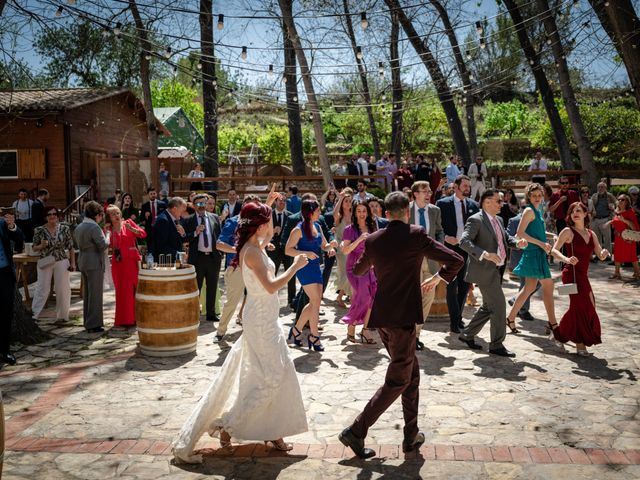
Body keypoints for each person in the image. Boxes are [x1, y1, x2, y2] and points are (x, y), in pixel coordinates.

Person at [172, 201, 310, 464]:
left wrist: (266, 224)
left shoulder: (255, 248)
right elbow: (270, 287)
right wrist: (295, 267)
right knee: (271, 376)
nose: (271, 225)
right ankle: (229, 425)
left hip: (266, 318)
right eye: (268, 221)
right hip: (260, 321)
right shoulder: (253, 252)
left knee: (277, 373)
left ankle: (272, 430)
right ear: (260, 225)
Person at [338, 192, 463, 459]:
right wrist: (439, 277)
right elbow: (455, 259)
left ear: (385, 212)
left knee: (411, 376)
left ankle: (410, 435)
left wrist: (372, 254)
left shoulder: (373, 240)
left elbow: (358, 271)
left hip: (382, 318)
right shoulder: (416, 235)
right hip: (403, 319)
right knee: (398, 380)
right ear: (406, 212)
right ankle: (357, 430)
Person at [458, 190, 527, 357]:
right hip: (483, 270)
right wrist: (485, 254)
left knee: (489, 307)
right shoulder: (475, 220)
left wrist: (518, 243)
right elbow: (464, 241)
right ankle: (496, 345)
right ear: (487, 202)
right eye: (498, 201)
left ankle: (467, 334)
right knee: (499, 305)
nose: (501, 204)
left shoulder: (499, 219)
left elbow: (504, 239)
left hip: (496, 270)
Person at [506, 183, 576, 336]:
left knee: (528, 289)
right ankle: (553, 323)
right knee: (548, 287)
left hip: (538, 254)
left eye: (539, 195)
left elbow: (536, 230)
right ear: (529, 197)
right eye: (534, 195)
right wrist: (541, 243)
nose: (537, 198)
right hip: (533, 254)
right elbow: (520, 233)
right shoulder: (529, 210)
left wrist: (551, 236)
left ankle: (510, 318)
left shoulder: (537, 211)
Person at [553, 202, 609, 355]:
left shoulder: (592, 234)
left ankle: (558, 332)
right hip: (571, 274)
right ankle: (580, 344)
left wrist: (604, 253)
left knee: (590, 306)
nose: (575, 213)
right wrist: (566, 259)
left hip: (583, 276)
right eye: (572, 211)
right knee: (580, 308)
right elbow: (554, 250)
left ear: (586, 214)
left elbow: (600, 254)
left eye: (578, 210)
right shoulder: (567, 231)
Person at [286, 200, 336, 351]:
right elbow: (288, 250)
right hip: (304, 267)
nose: (320, 213)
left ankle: (296, 331)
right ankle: (314, 337)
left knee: (316, 301)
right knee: (315, 300)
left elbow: (324, 246)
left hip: (316, 267)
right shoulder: (298, 229)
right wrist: (305, 253)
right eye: (318, 211)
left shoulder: (318, 226)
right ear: (310, 212)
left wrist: (331, 247)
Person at [436, 175, 480, 333]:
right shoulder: (442, 204)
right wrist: (446, 238)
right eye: (465, 186)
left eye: (469, 186)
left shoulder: (474, 205)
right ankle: (454, 322)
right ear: (456, 186)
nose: (468, 188)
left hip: (467, 250)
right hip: (450, 250)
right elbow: (438, 226)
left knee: (464, 285)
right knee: (451, 285)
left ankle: (458, 318)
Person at [409, 181, 444, 350]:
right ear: (415, 194)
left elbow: (439, 231)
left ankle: (415, 334)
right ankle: (408, 334)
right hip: (410, 261)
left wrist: (440, 249)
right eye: (425, 191)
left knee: (428, 297)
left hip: (429, 260)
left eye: (429, 190)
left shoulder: (435, 210)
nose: (428, 193)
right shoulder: (406, 210)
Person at [341, 202, 377, 344]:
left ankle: (365, 330)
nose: (362, 214)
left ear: (367, 212)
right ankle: (351, 326)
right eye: (359, 211)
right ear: (355, 213)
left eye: (364, 211)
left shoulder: (373, 228)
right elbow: (345, 250)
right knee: (363, 296)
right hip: (355, 267)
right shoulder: (349, 229)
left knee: (372, 298)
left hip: (371, 265)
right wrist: (360, 239)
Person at [31, 206, 75, 322]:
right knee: (42, 288)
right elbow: (34, 248)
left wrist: (73, 263)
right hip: (45, 260)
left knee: (63, 288)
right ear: (45, 216)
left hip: (61, 260)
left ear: (57, 215)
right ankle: (34, 315)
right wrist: (41, 246)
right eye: (49, 214)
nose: (52, 216)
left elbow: (71, 247)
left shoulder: (64, 229)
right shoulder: (39, 230)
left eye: (54, 214)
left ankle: (62, 316)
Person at [105, 205, 146, 327]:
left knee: (133, 288)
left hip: (131, 262)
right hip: (118, 264)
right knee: (121, 290)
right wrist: (106, 233)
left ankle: (135, 318)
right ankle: (123, 319)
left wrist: (132, 229)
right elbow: (105, 245)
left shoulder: (128, 223)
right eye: (113, 214)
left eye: (117, 213)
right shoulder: (108, 229)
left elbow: (143, 234)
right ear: (109, 217)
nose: (116, 216)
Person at [184, 194, 222, 322]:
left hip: (213, 258)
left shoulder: (214, 218)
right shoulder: (189, 220)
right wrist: (195, 232)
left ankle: (211, 314)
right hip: (197, 259)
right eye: (199, 204)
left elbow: (220, 237)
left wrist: (221, 254)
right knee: (196, 288)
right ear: (194, 206)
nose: (202, 206)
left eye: (204, 203)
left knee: (212, 287)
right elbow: (184, 238)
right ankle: (194, 315)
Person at [74, 201, 109, 333]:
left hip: (83, 260)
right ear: (97, 215)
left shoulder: (79, 226)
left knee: (88, 294)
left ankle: (87, 322)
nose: (101, 218)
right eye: (101, 215)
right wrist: (108, 236)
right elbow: (103, 245)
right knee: (95, 294)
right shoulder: (94, 227)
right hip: (94, 261)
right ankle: (94, 324)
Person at [0, 210, 24, 366]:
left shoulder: (3, 223)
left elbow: (20, 240)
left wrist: (13, 226)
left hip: (4, 273)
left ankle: (5, 351)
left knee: (5, 312)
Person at [507, 202, 537, 322]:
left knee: (537, 282)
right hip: (520, 257)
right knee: (526, 283)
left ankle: (516, 299)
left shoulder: (536, 219)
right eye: (524, 207)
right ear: (520, 208)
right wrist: (518, 241)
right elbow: (508, 237)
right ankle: (523, 310)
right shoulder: (514, 220)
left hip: (534, 256)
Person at [268, 193, 295, 307]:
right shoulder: (269, 215)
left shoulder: (290, 216)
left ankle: (291, 300)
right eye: (280, 200)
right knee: (272, 274)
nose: (282, 202)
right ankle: (271, 298)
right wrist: (273, 231)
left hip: (287, 250)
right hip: (273, 250)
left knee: (291, 274)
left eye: (284, 201)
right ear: (275, 202)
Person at [608, 194, 640, 280]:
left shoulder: (630, 212)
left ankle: (638, 273)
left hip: (628, 237)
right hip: (618, 237)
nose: (620, 201)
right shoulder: (616, 211)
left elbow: (635, 227)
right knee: (617, 255)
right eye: (619, 199)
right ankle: (617, 273)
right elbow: (615, 222)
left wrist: (624, 220)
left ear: (627, 202)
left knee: (632, 256)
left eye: (623, 200)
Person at [333, 192, 353, 308]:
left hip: (353, 247)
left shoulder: (353, 215)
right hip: (341, 249)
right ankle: (344, 296)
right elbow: (334, 213)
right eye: (346, 201)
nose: (348, 203)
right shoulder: (339, 216)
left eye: (350, 201)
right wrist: (340, 199)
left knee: (352, 273)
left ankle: (342, 296)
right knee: (346, 274)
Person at [151, 197, 187, 262]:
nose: (182, 214)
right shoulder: (163, 220)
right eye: (182, 211)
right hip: (164, 262)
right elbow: (161, 246)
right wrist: (178, 254)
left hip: (172, 260)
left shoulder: (173, 218)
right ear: (174, 209)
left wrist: (183, 234)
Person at [589, 182, 616, 259]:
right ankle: (599, 255)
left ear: (605, 188)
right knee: (597, 239)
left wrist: (613, 208)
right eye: (599, 187)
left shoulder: (609, 196)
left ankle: (607, 255)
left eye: (602, 187)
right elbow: (590, 205)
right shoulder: (594, 196)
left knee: (607, 239)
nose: (600, 188)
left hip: (605, 219)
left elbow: (616, 203)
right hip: (595, 219)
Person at [140, 187, 166, 254]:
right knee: (150, 248)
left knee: (161, 247)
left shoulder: (162, 204)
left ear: (156, 194)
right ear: (148, 195)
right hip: (149, 229)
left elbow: (166, 215)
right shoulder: (145, 206)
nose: (153, 195)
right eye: (151, 194)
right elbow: (141, 218)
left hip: (160, 228)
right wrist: (145, 215)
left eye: (154, 193)